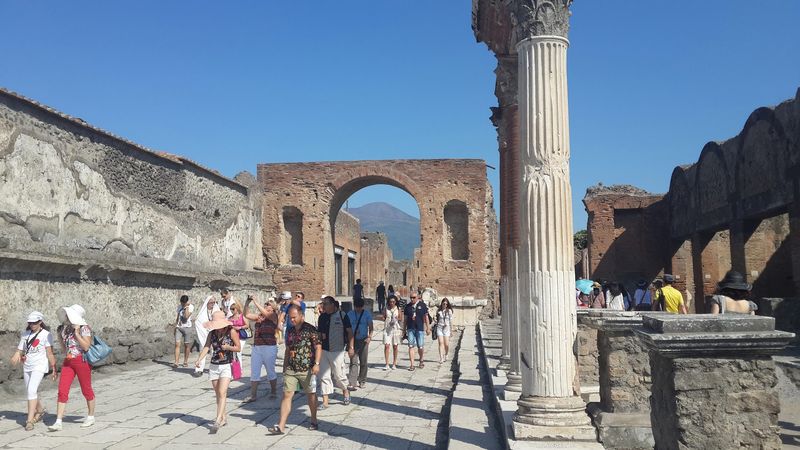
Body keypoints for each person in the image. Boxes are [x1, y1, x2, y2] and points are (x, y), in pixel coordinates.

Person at [268, 304, 322, 435]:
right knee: (287, 394)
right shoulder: (290, 331)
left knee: (310, 395)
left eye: (294, 317)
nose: (292, 320)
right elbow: (288, 349)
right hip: (292, 368)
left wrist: (317, 363)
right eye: (290, 318)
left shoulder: (311, 329)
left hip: (307, 368)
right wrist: (285, 366)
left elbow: (318, 347)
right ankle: (281, 425)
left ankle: (314, 419)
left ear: (301, 316)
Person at [48, 305, 95, 432]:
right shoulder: (63, 329)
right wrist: (61, 336)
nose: (67, 317)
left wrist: (76, 333)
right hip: (68, 361)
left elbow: (86, 347)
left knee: (86, 389)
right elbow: (64, 348)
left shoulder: (85, 328)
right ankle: (58, 421)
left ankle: (91, 417)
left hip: (82, 360)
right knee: (62, 389)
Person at [194, 310, 240, 431]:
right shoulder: (212, 333)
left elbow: (238, 347)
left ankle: (218, 419)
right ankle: (224, 417)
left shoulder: (231, 331)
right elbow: (206, 347)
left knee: (222, 392)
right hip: (214, 365)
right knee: (218, 393)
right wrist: (199, 359)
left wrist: (228, 347)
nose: (218, 328)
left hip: (226, 365)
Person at [10, 311, 56, 431]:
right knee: (31, 391)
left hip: (39, 365)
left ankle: (29, 420)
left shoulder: (46, 335)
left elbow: (49, 353)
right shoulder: (25, 334)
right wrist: (17, 354)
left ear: (40, 322)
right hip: (27, 365)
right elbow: (20, 349)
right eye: (30, 323)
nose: (32, 325)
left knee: (31, 390)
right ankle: (40, 411)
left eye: (34, 322)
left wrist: (54, 368)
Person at [317, 297, 353, 408]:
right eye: (323, 304)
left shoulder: (342, 316)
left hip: (337, 350)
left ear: (332, 304)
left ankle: (345, 391)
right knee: (324, 375)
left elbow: (349, 331)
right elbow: (320, 332)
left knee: (339, 375)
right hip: (324, 349)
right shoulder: (322, 317)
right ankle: (325, 401)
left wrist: (351, 347)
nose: (324, 306)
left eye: (326, 304)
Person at [242, 296, 280, 403]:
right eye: (266, 304)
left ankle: (273, 391)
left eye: (269, 305)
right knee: (254, 372)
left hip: (269, 347)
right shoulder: (259, 317)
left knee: (270, 371)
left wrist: (255, 301)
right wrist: (247, 302)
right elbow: (246, 314)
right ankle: (253, 395)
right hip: (257, 347)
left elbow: (267, 314)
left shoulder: (273, 316)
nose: (266, 306)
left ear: (273, 308)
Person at [346, 297, 373, 389]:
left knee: (363, 361)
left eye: (360, 307)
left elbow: (371, 327)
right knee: (353, 362)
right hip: (353, 340)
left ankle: (362, 380)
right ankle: (352, 382)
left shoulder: (366, 314)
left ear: (362, 306)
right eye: (356, 307)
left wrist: (369, 337)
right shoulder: (350, 314)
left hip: (363, 340)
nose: (358, 309)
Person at [194, 295, 220, 377]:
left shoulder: (216, 310)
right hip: (205, 333)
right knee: (203, 349)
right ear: (207, 302)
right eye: (211, 302)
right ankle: (199, 369)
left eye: (214, 302)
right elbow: (199, 322)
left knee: (215, 350)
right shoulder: (203, 313)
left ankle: (216, 368)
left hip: (215, 332)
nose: (212, 304)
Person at [404, 293, 430, 371]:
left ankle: (421, 359)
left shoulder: (422, 305)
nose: (412, 299)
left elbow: (426, 317)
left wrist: (428, 328)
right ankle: (412, 364)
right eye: (411, 297)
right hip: (410, 328)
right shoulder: (407, 306)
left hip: (419, 328)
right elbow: (405, 319)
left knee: (420, 346)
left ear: (417, 297)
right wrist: (403, 330)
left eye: (414, 297)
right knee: (411, 346)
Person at [173, 294, 194, 368]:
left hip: (187, 328)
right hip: (179, 327)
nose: (182, 304)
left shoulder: (191, 307)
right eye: (181, 303)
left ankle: (185, 361)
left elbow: (186, 316)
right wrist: (175, 326)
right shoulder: (179, 307)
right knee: (177, 344)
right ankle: (176, 362)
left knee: (186, 345)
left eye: (183, 303)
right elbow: (178, 317)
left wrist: (186, 307)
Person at [382, 295, 403, 370]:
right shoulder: (386, 308)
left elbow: (401, 318)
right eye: (390, 301)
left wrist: (397, 319)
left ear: (396, 302)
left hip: (395, 328)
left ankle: (394, 363)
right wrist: (384, 318)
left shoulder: (398, 309)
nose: (392, 303)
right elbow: (383, 317)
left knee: (395, 346)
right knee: (387, 345)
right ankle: (387, 364)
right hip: (387, 328)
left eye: (393, 302)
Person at [435, 298, 454, 363]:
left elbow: (451, 321)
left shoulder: (449, 311)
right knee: (440, 343)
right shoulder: (438, 311)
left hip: (447, 328)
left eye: (446, 304)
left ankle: (446, 354)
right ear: (442, 304)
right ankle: (441, 358)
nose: (445, 305)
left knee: (446, 344)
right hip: (440, 327)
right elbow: (436, 320)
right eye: (444, 304)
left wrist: (451, 330)